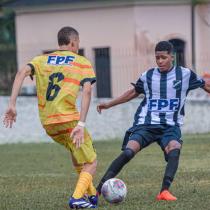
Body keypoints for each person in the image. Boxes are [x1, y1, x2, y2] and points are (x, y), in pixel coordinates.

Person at [96, 41, 210, 201]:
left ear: (172, 57)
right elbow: (132, 93)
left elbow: (205, 85)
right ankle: (97, 190)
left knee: (174, 149)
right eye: (157, 58)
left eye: (164, 57)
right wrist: (108, 104)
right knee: (128, 152)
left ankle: (164, 191)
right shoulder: (148, 76)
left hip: (170, 126)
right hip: (146, 125)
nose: (160, 61)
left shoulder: (184, 75)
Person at [3, 26, 98, 209]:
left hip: (48, 123)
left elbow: (21, 72)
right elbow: (87, 90)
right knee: (92, 162)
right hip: (69, 119)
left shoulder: (41, 60)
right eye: (77, 43)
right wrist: (81, 123)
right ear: (72, 42)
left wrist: (12, 105)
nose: (78, 46)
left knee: (75, 150)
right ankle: (77, 198)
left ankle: (91, 193)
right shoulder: (81, 61)